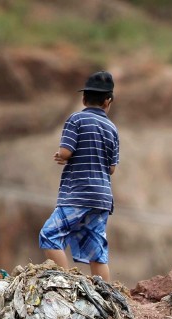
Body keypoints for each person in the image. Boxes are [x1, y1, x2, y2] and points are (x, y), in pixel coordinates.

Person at [39, 71, 120, 281]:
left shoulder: (76, 119)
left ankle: (66, 285)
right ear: (108, 101)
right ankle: (105, 296)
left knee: (50, 235)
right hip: (102, 198)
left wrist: (61, 156)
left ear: (83, 99)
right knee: (97, 251)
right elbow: (112, 168)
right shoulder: (112, 128)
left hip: (78, 194)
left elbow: (66, 151)